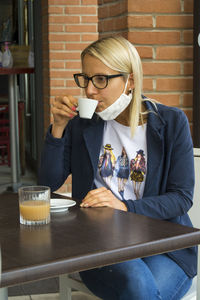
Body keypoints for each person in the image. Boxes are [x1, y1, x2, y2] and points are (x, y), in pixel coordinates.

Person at [39, 35, 196, 300]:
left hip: (162, 246)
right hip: (101, 244)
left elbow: (181, 198)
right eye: (85, 79)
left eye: (100, 79)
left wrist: (125, 207)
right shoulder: (82, 123)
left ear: (130, 80)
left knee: (142, 291)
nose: (89, 90)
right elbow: (48, 183)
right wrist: (58, 128)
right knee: (139, 286)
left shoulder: (170, 123)